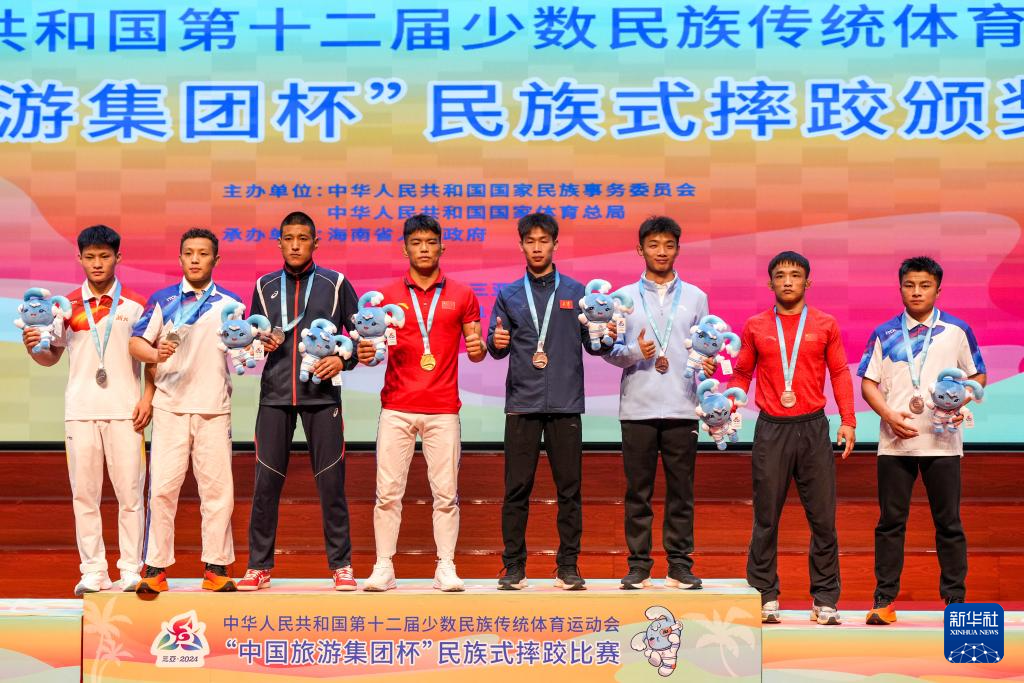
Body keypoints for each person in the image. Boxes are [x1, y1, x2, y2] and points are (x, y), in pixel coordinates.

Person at [486, 213, 616, 591]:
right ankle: (514, 567)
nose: (537, 247)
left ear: (555, 245)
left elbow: (595, 346)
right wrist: (497, 343)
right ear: (521, 245)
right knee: (516, 490)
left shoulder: (577, 292)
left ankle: (568, 567)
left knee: (569, 491)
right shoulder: (509, 294)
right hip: (522, 403)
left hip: (565, 403)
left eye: (544, 240)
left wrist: (606, 335)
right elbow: (497, 346)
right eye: (530, 241)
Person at [21, 225, 152, 595]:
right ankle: (94, 571)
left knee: (130, 495)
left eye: (104, 256)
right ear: (79, 258)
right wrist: (33, 347)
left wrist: (147, 399)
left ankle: (130, 569)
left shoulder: (136, 305)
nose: (97, 264)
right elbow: (50, 357)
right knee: (84, 495)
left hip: (126, 412)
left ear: (118, 258)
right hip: (80, 412)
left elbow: (151, 358)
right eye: (90, 257)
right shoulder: (63, 308)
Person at [360, 215, 486, 592]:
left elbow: (476, 348)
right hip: (396, 407)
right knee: (387, 494)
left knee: (446, 495)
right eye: (416, 243)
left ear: (442, 246)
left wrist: (479, 349)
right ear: (405, 249)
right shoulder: (385, 298)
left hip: (443, 408)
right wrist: (367, 354)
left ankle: (445, 566)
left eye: (431, 242)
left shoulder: (463, 295)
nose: (424, 249)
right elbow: (373, 351)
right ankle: (384, 566)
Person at [858, 256, 986, 624]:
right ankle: (883, 601)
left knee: (949, 523)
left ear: (938, 290)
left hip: (943, 442)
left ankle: (955, 601)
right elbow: (868, 382)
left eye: (924, 285)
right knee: (890, 523)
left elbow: (978, 375)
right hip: (894, 443)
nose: (916, 292)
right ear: (900, 288)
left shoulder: (956, 330)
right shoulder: (884, 333)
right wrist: (888, 415)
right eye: (909, 285)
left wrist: (959, 403)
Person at [730, 251, 856, 625]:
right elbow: (741, 374)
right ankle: (764, 595)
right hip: (771, 429)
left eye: (795, 275)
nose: (788, 281)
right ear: (770, 282)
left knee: (823, 519)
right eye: (781, 275)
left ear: (807, 282)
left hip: (813, 428)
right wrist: (728, 409)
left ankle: (825, 599)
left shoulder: (825, 324)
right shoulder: (755, 325)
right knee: (766, 517)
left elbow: (840, 372)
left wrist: (848, 420)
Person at [237, 211, 361, 592]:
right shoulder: (263, 286)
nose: (295, 245)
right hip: (275, 397)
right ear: (279, 243)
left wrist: (341, 359)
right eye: (288, 238)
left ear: (315, 243)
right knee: (266, 484)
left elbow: (359, 339)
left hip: (322, 397)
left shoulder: (335, 284)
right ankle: (258, 566)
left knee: (332, 483)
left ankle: (341, 565)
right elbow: (251, 340)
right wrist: (257, 344)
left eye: (302, 238)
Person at [129, 228, 243, 593]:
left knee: (218, 492)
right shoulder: (163, 300)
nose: (195, 259)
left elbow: (243, 349)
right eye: (189, 253)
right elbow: (136, 343)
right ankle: (155, 567)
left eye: (203, 253)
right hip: (170, 407)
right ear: (180, 258)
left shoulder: (231, 304)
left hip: (213, 408)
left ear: (215, 260)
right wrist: (155, 353)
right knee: (162, 489)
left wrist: (259, 344)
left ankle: (216, 566)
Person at [604, 216, 715, 591]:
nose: (661, 251)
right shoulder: (622, 298)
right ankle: (638, 566)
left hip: (683, 407)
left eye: (668, 245)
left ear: (678, 249)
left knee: (682, 492)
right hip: (638, 407)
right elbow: (611, 353)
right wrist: (637, 351)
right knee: (638, 492)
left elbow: (706, 347)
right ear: (640, 249)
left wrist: (708, 362)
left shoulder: (696, 297)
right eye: (653, 245)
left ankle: (680, 565)